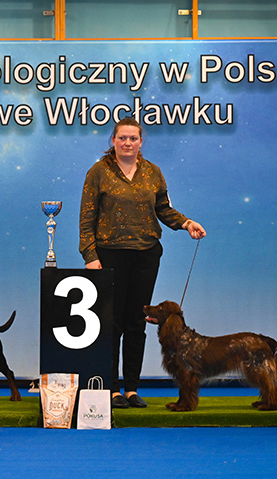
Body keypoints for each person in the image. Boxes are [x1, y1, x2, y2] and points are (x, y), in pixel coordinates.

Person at [79, 117, 206, 409]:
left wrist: (186, 223)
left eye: (133, 138)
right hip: (109, 255)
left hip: (146, 254)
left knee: (137, 323)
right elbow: (87, 217)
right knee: (111, 323)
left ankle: (132, 389)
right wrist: (90, 255)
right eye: (122, 138)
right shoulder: (98, 172)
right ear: (113, 141)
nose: (127, 143)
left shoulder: (153, 172)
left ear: (140, 142)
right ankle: (111, 389)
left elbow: (163, 208)